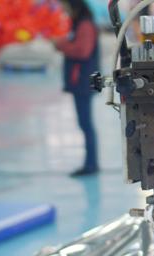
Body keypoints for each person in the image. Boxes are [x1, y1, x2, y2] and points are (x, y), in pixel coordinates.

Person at [54, 0, 100, 176]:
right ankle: (90, 163)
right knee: (84, 123)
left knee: (86, 124)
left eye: (65, 7)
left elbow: (83, 51)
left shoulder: (85, 25)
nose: (64, 10)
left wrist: (61, 45)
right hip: (80, 81)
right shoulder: (79, 24)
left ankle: (91, 164)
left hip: (83, 81)